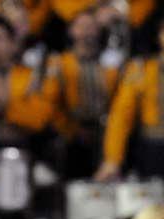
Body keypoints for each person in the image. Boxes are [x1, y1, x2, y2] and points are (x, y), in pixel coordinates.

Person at [95, 15, 164, 180]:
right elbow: (121, 116)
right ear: (158, 37)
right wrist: (113, 159)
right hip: (152, 150)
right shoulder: (142, 70)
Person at [42, 9, 120, 179]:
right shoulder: (59, 63)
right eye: (81, 26)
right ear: (71, 30)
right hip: (70, 136)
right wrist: (71, 129)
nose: (86, 32)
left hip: (103, 133)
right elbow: (51, 103)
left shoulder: (111, 64)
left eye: (91, 26)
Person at [0, 16, 53, 149]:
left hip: (19, 148)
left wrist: (8, 109)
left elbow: (40, 119)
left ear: (12, 43)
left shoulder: (31, 77)